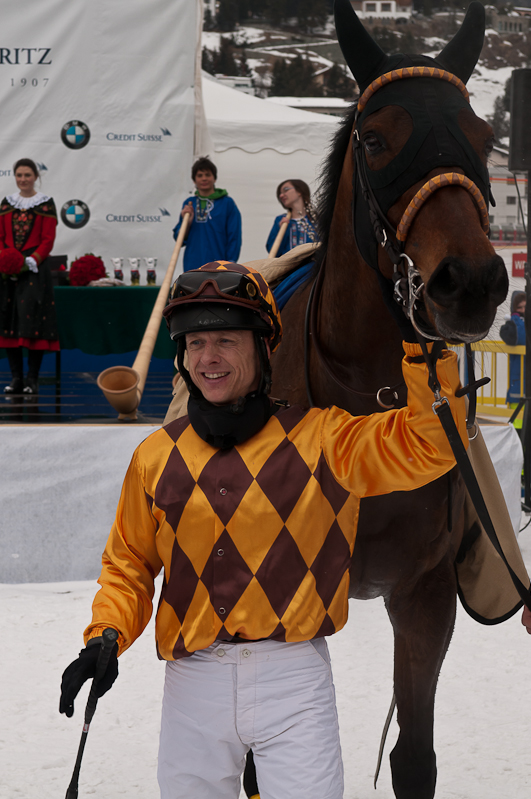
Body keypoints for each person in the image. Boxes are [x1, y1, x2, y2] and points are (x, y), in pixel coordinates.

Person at [59, 261, 469, 799]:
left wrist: (426, 345)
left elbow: (431, 445)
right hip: (192, 689)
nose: (209, 358)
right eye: (196, 342)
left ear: (262, 349)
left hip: (293, 685)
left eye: (226, 340)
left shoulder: (326, 440)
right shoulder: (154, 457)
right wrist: (106, 636)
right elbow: (129, 565)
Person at [0, 158, 58, 395]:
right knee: (9, 323)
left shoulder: (45, 204)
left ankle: (32, 379)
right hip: (7, 272)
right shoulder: (6, 203)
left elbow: (48, 239)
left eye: (27, 175)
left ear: (36, 176)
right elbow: (1, 236)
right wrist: (8, 259)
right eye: (19, 175)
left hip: (35, 270)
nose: (23, 179)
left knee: (34, 323)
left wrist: (31, 260)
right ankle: (16, 378)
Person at [172, 156, 242, 271]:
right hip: (193, 264)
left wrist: (230, 263)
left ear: (214, 178)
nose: (204, 179)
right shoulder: (190, 204)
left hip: (219, 265)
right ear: (194, 180)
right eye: (200, 175)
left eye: (208, 175)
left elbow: (234, 236)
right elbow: (179, 239)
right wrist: (188, 223)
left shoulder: (227, 203)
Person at [265, 179, 318, 257]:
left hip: (313, 267)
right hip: (286, 267)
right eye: (280, 193)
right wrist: (282, 230)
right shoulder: (280, 220)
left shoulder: (317, 220)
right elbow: (272, 251)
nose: (281, 195)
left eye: (285, 190)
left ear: (300, 191)